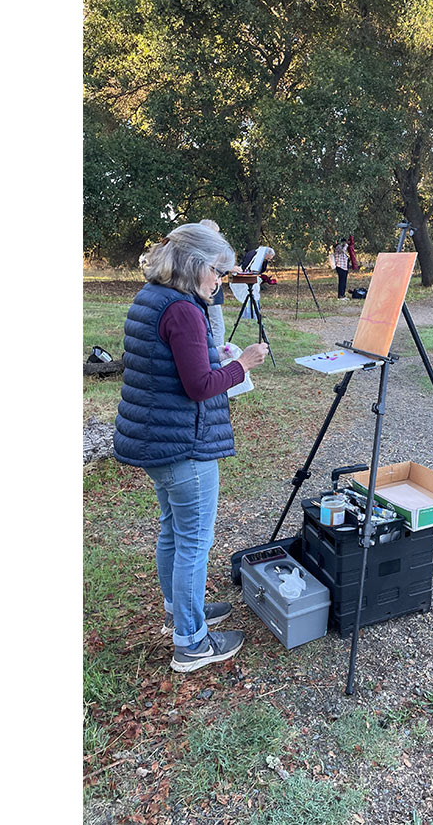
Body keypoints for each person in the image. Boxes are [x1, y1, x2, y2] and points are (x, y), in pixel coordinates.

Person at [113, 223, 270, 672]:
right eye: (218, 273)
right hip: (184, 444)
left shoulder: (153, 296)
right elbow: (199, 386)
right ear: (197, 265)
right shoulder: (182, 309)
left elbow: (172, 365)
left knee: (172, 531)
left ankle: (178, 614)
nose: (219, 283)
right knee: (193, 544)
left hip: (156, 437)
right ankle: (193, 643)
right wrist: (240, 364)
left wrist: (210, 353)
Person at [199, 219, 226, 347]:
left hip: (210, 289)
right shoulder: (206, 249)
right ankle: (218, 352)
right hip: (208, 290)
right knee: (217, 324)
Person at [332, 236, 358, 300]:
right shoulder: (338, 247)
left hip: (344, 267)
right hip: (340, 267)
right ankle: (340, 296)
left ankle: (342, 295)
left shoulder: (341, 247)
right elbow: (343, 251)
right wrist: (346, 244)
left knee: (344, 282)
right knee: (341, 282)